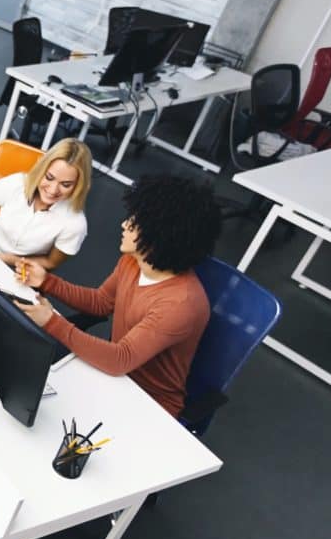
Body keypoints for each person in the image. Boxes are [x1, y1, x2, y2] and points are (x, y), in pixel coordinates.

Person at [13, 175, 222, 418]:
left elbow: (120, 359)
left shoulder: (180, 304)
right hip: (111, 377)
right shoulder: (132, 262)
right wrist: (47, 281)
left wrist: (51, 323)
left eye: (134, 223)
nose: (124, 225)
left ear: (159, 235)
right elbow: (101, 303)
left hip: (148, 404)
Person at [0, 138, 92, 270]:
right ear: (41, 170)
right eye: (49, 177)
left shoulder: (75, 224)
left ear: (78, 185)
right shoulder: (18, 183)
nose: (53, 190)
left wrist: (8, 259)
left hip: (13, 269)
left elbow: (50, 262)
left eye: (66, 184)